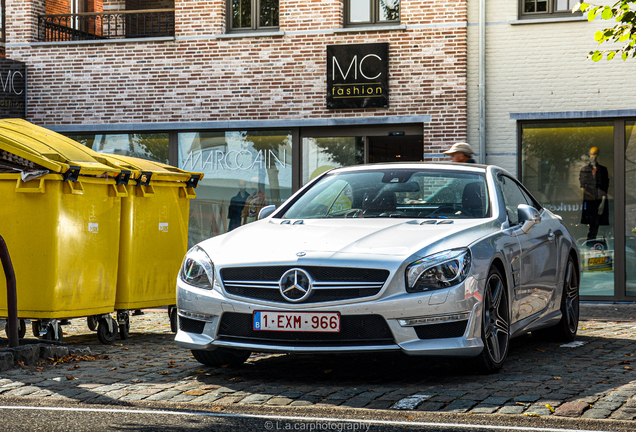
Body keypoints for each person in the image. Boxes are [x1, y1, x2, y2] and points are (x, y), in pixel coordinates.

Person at [580, 146, 609, 240]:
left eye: (595, 154)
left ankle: (594, 242)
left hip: (599, 200)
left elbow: (605, 187)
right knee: (592, 223)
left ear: (598, 155)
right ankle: (590, 241)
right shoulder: (585, 170)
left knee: (598, 223)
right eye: (592, 154)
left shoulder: (603, 170)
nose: (593, 157)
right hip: (590, 201)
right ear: (589, 155)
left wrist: (603, 202)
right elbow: (582, 187)